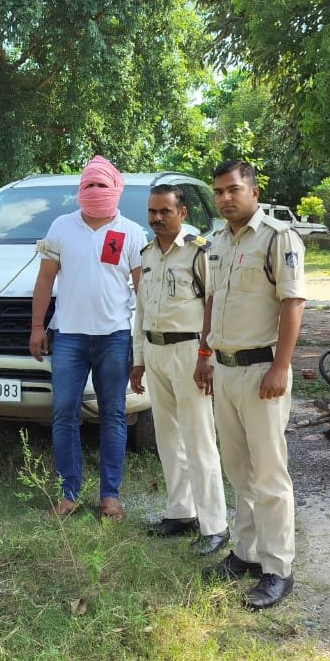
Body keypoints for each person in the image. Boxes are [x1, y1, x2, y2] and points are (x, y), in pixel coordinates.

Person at [196, 160, 306, 609]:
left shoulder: (278, 238)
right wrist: (205, 354)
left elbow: (293, 303)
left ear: (254, 193)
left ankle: (278, 567)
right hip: (224, 369)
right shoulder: (217, 241)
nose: (225, 198)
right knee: (238, 467)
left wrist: (281, 367)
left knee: (269, 472)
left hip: (262, 372)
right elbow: (212, 300)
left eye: (234, 189)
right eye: (219, 191)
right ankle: (245, 552)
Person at [29, 156, 146, 521]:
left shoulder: (132, 232)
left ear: (116, 189)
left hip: (115, 337)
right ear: (79, 190)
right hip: (69, 337)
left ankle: (110, 497)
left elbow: (144, 290)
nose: (95, 191)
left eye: (102, 185)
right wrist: (37, 327)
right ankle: (69, 495)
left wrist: (142, 342)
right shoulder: (61, 227)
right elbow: (45, 279)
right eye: (88, 185)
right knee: (64, 414)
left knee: (113, 415)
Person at [129, 184, 230, 555]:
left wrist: (206, 355)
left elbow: (214, 305)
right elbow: (141, 312)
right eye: (152, 212)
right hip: (155, 350)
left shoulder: (199, 251)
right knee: (167, 438)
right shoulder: (147, 254)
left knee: (198, 438)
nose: (157, 218)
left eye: (165, 211)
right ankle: (180, 512)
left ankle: (215, 526)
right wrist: (138, 360)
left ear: (182, 213)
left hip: (189, 351)